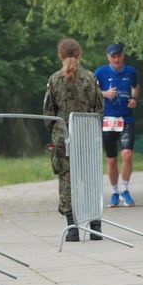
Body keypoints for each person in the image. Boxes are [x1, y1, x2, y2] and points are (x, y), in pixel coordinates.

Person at [43, 38, 104, 241]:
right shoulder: (90, 78)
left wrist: (55, 133)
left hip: (64, 139)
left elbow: (48, 112)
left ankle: (72, 229)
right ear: (80, 54)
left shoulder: (54, 79)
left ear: (60, 55)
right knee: (90, 179)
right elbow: (99, 109)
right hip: (87, 136)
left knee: (67, 181)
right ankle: (95, 227)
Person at [95, 43, 140, 207]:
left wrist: (134, 99)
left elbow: (136, 86)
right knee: (112, 160)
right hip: (108, 120)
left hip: (126, 119)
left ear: (123, 56)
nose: (116, 59)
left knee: (127, 154)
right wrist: (105, 93)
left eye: (119, 56)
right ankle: (114, 192)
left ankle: (125, 190)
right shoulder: (100, 72)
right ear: (108, 58)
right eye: (113, 56)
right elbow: (91, 91)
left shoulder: (131, 71)